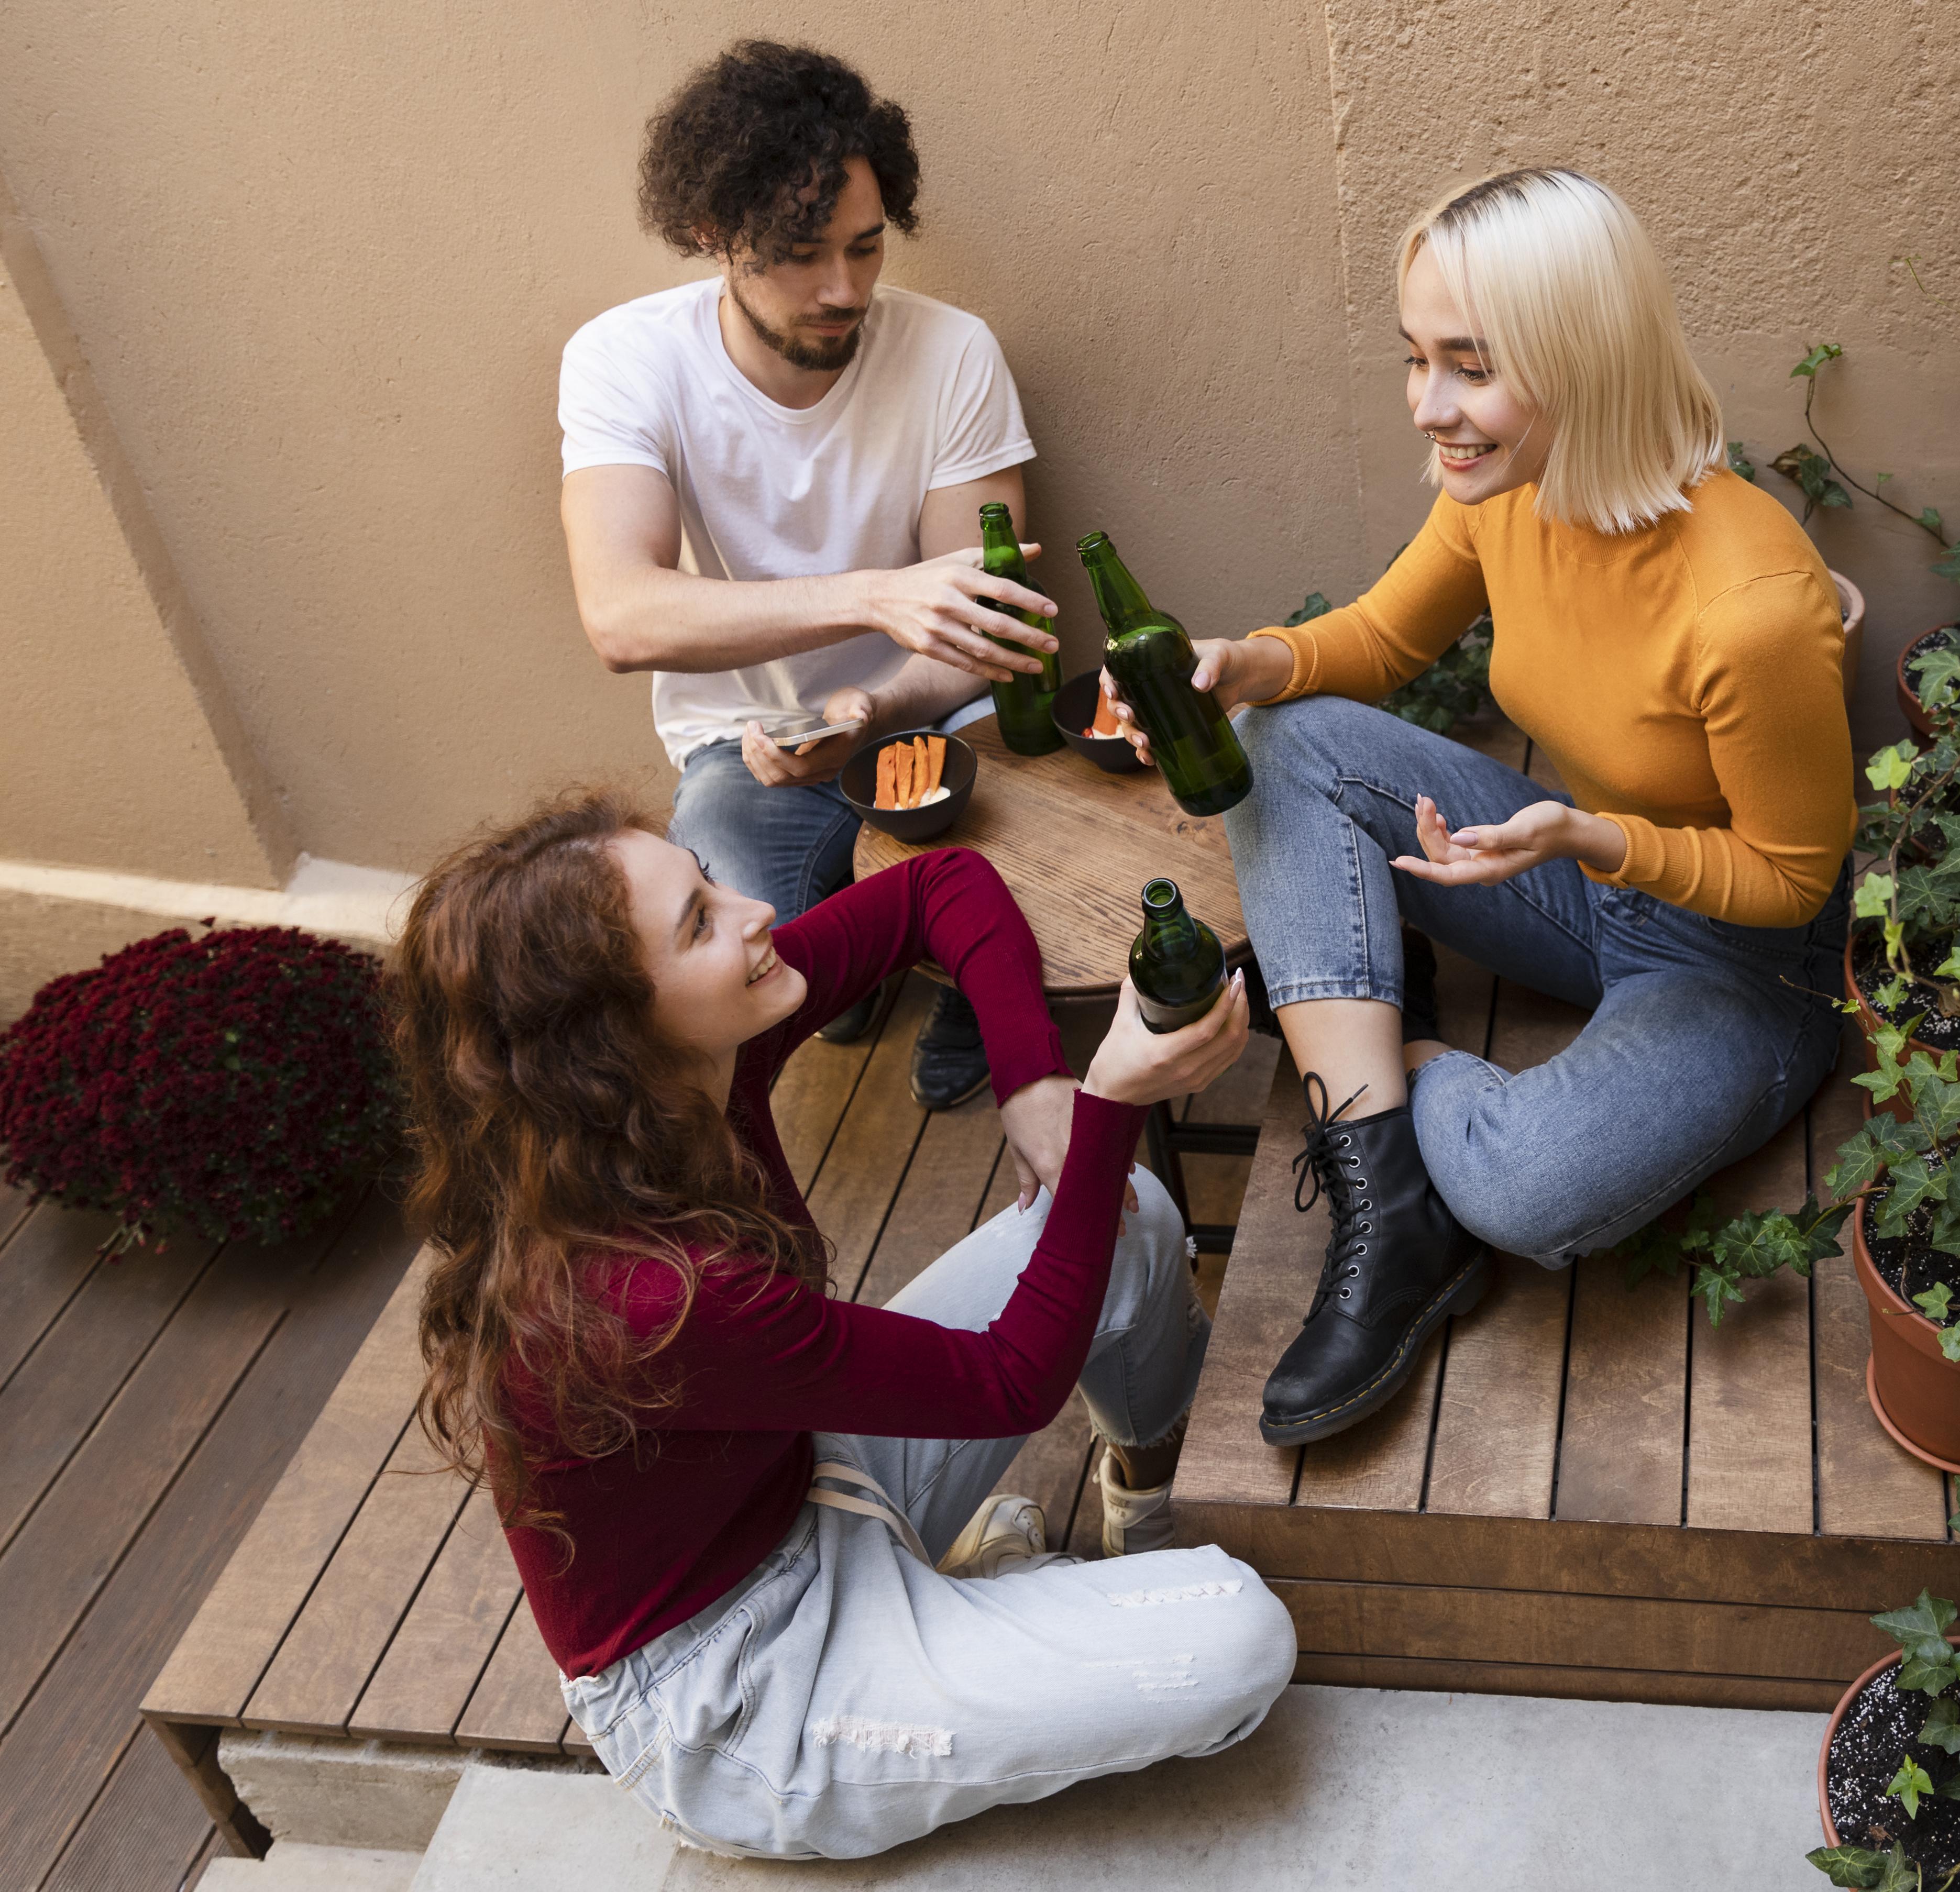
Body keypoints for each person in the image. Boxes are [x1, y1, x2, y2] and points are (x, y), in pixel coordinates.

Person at [388, 788, 1293, 1860]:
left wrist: (1030, 1079)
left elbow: (936, 885)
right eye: (699, 922)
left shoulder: (689, 1075)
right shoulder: (642, 1299)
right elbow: (1011, 1383)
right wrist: (1104, 1104)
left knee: (1126, 1224)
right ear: (611, 1037)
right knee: (1235, 1635)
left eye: (706, 879)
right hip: (744, 1687)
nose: (753, 909)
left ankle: (1127, 1515)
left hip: (803, 1484)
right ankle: (934, 1654)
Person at [1115, 169, 1853, 1446]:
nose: (1427, 407)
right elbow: (1378, 639)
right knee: (1275, 738)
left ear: (1585, 358)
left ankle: (1384, 1071)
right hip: (1575, 874)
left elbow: (1794, 881)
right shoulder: (1507, 487)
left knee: (1528, 1188)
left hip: (1744, 964)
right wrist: (1253, 661)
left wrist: (1587, 836)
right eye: (1415, 359)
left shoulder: (1753, 607)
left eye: (1468, 365)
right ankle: (1388, 1202)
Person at [558, 40, 1061, 1113]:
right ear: (712, 235)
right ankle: (875, 949)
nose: (843, 290)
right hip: (745, 755)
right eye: (798, 254)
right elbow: (619, 615)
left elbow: (988, 622)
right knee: (771, 997)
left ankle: (950, 960)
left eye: (867, 249)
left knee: (1028, 856)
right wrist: (870, 595)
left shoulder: (951, 352)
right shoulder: (624, 357)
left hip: (934, 721)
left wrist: (873, 698)